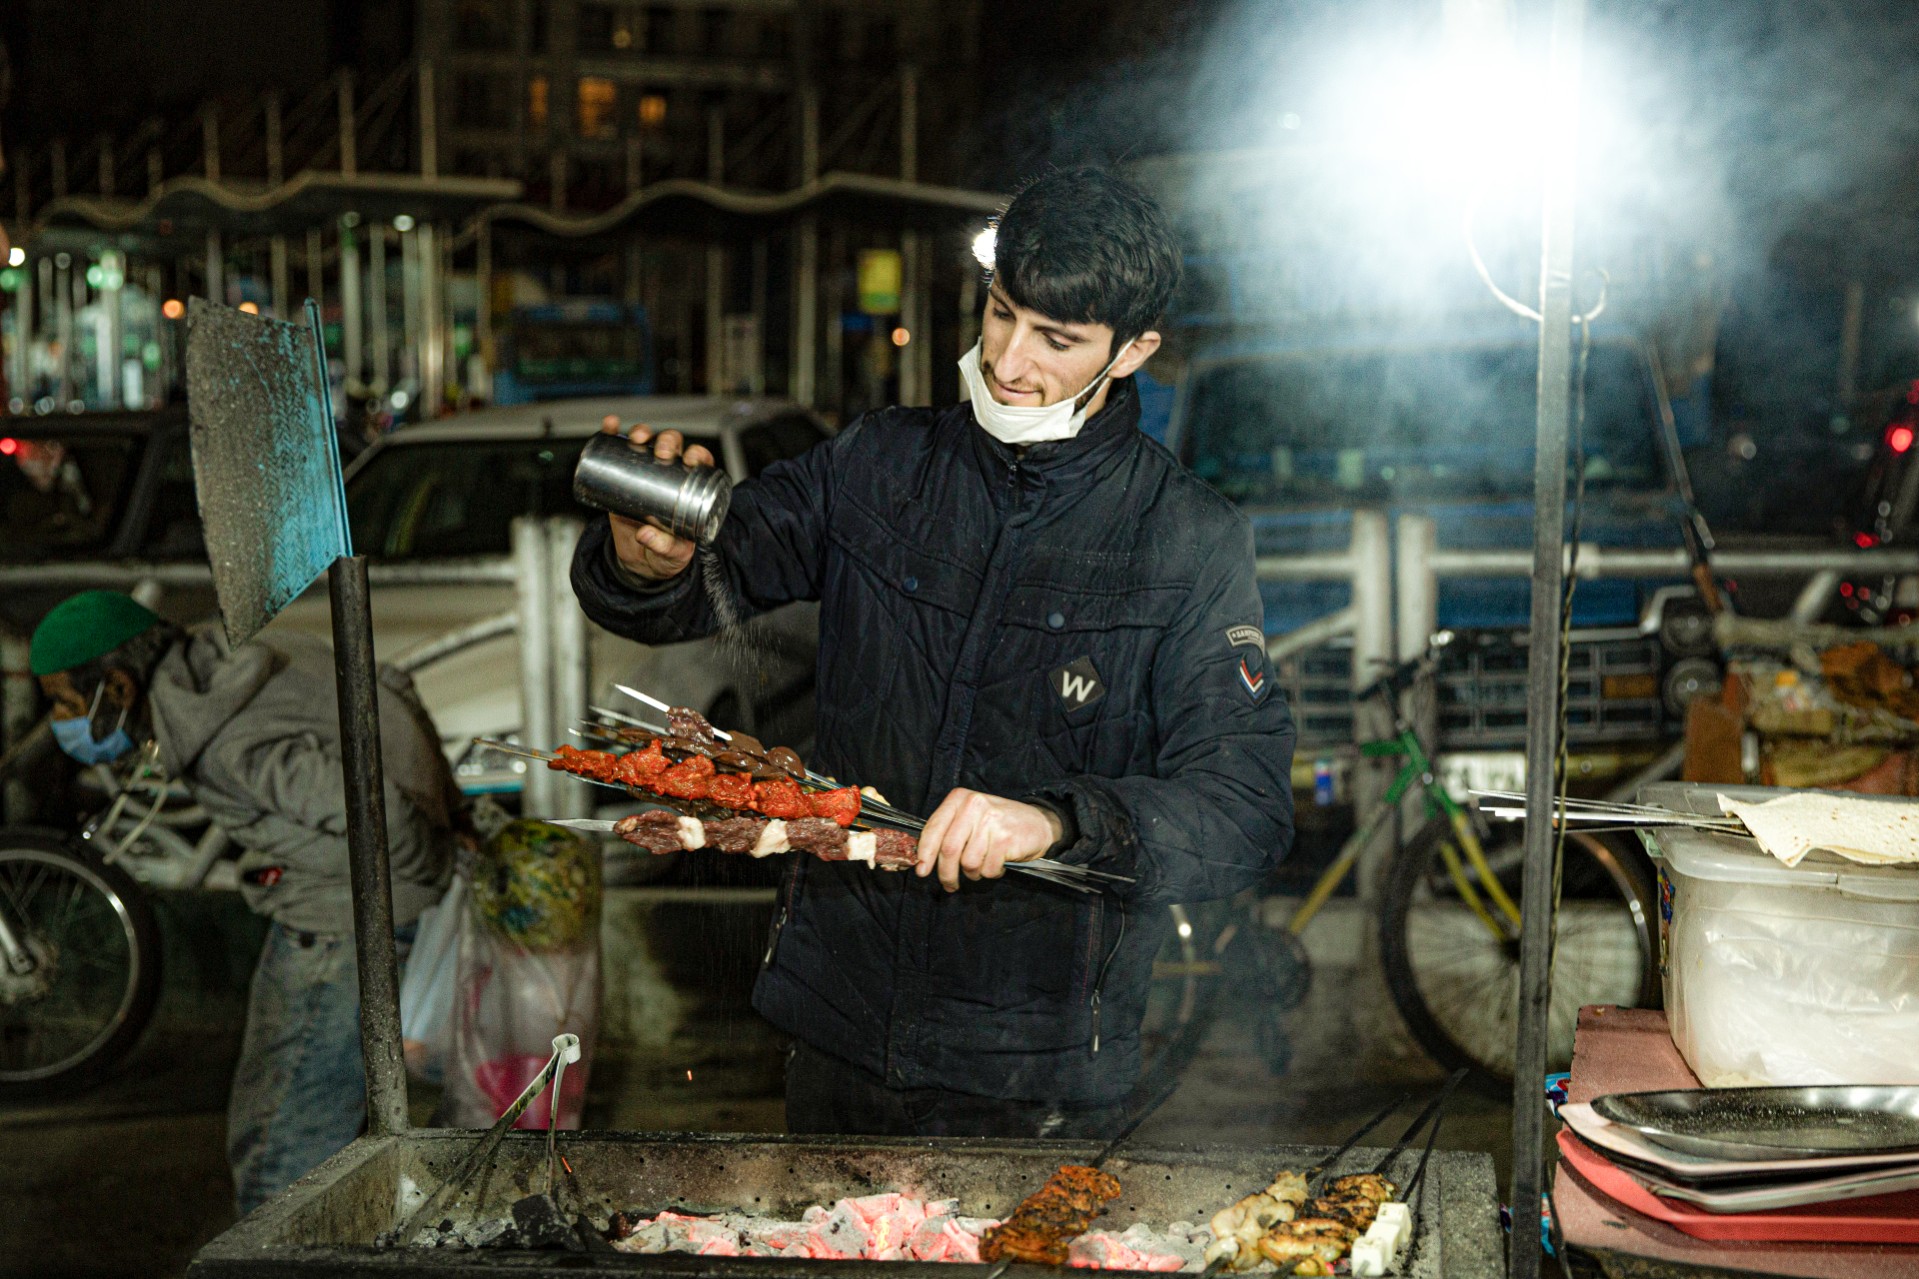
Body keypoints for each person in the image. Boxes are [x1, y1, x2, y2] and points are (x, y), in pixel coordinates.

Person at [571, 167, 1297, 1138]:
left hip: (1036, 1060)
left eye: (1056, 340)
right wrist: (643, 559)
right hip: (839, 1017)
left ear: (1134, 351)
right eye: (1000, 315)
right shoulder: (880, 464)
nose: (1007, 360)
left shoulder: (1184, 538)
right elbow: (707, 576)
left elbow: (1242, 805)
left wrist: (1055, 820)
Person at [29, 590, 457, 1213]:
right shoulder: (233, 657)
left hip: (338, 930)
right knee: (313, 1129)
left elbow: (378, 809)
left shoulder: (227, 742)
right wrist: (447, 820)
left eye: (66, 702)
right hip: (365, 908)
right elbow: (391, 683)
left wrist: (391, 893)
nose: (62, 722)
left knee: (281, 1147)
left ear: (117, 689)